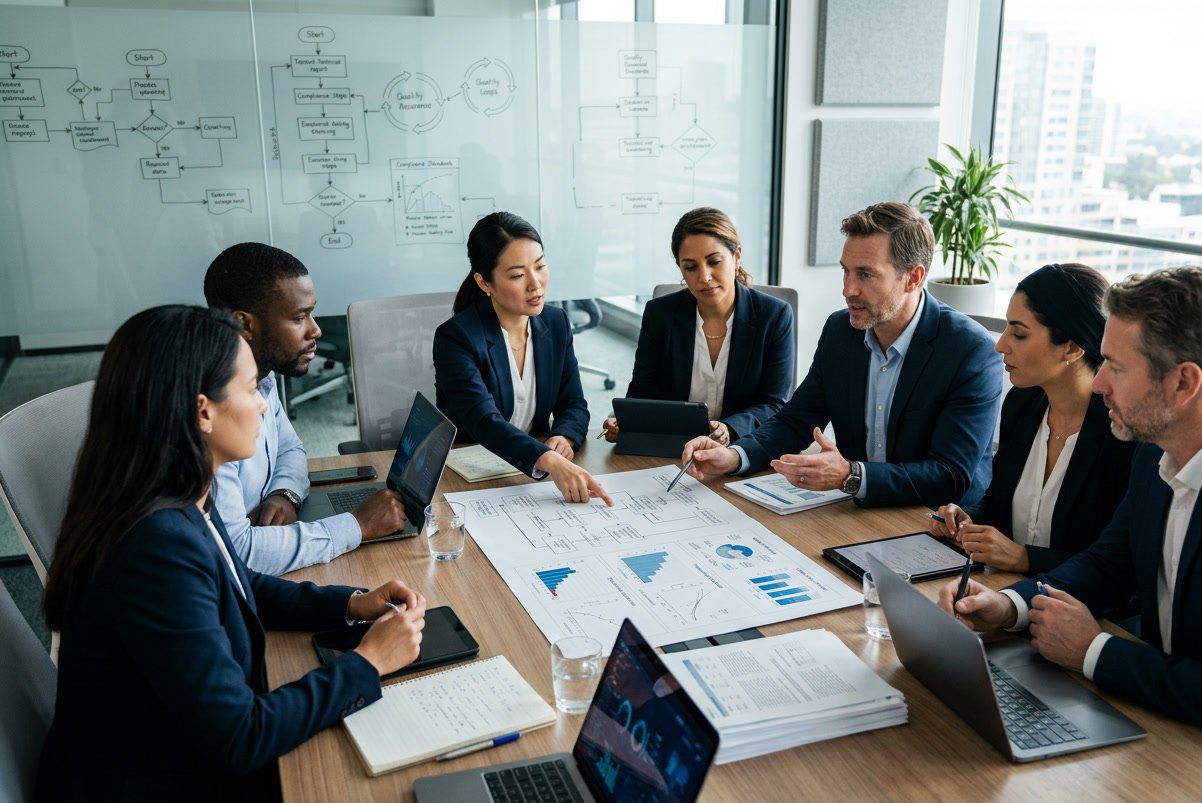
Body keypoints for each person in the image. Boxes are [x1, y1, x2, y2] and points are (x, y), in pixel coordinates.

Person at [36, 305, 428, 803]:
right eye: (251, 390)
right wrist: (368, 661)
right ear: (203, 411)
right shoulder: (155, 546)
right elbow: (238, 735)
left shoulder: (179, 484)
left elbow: (235, 584)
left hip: (170, 760)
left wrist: (349, 604)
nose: (264, 405)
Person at [941, 266, 1202, 745]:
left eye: (1114, 366)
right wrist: (1009, 606)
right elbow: (1108, 563)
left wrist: (1094, 651)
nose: (1097, 384)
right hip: (1162, 722)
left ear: (1183, 383)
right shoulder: (1158, 449)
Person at [683, 201, 1002, 508]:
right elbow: (795, 421)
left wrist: (852, 476)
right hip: (855, 509)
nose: (848, 289)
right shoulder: (841, 331)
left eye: (865, 274)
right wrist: (734, 456)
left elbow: (950, 475)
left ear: (913, 278)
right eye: (846, 271)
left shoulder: (969, 351)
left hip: (936, 523)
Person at [204, 242, 406, 575]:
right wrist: (357, 525)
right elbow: (236, 553)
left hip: (273, 544)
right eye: (299, 317)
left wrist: (285, 494)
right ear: (245, 324)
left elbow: (291, 448)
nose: (316, 330)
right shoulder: (212, 413)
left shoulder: (261, 381)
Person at [930, 264, 1137, 574]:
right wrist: (968, 519)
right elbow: (999, 504)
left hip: (1083, 614)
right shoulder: (1022, 404)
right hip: (1004, 591)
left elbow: (1120, 567)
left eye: (1019, 334)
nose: (1000, 344)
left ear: (1071, 347)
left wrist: (1024, 558)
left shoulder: (1123, 434)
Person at [434, 212, 612, 505]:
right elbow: (484, 422)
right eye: (518, 275)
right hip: (467, 479)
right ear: (484, 283)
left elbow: (574, 404)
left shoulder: (555, 323)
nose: (536, 284)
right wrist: (548, 459)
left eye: (540, 266)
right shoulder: (456, 337)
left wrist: (564, 437)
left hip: (532, 477)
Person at [603, 207, 794, 446]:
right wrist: (626, 422)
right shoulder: (660, 314)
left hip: (742, 449)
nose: (704, 277)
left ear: (736, 257)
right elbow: (643, 392)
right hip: (673, 447)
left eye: (714, 262)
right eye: (691, 267)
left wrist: (729, 428)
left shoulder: (774, 316)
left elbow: (773, 402)